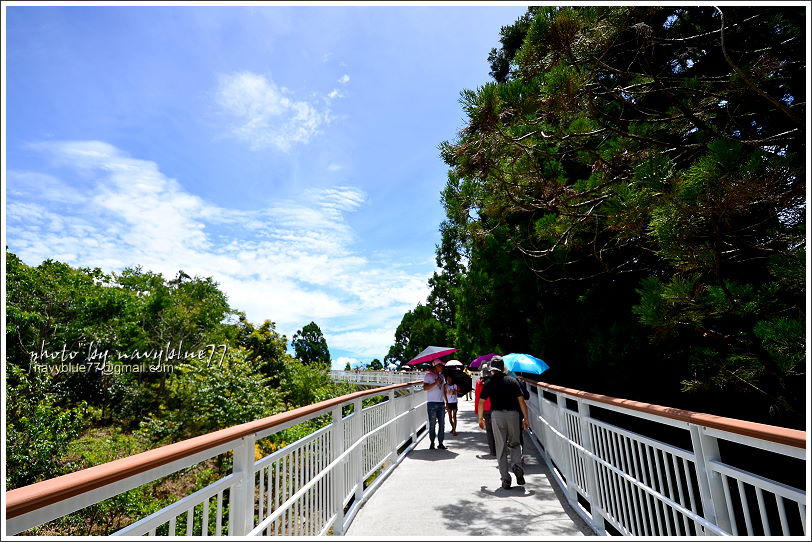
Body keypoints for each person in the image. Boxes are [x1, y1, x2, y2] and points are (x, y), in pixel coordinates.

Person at [478, 356, 530, 489]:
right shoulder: (512, 381)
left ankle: (505, 479)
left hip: (497, 416)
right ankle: (517, 466)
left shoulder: (489, 383)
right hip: (513, 415)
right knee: (515, 443)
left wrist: (480, 418)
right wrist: (526, 418)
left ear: (492, 369)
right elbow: (521, 401)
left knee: (500, 447)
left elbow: (481, 402)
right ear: (503, 368)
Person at [423, 359, 448, 449]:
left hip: (441, 403)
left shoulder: (441, 376)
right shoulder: (428, 375)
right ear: (436, 366)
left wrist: (447, 402)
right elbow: (425, 388)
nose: (442, 367)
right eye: (441, 366)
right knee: (432, 424)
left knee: (442, 424)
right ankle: (432, 443)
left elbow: (443, 390)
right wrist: (435, 383)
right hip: (432, 403)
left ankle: (440, 443)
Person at [473, 362, 496, 456]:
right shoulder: (495, 381)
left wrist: (478, 414)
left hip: (485, 410)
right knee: (498, 430)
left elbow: (478, 398)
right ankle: (500, 448)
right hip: (496, 408)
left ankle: (492, 450)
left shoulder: (479, 382)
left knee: (489, 431)